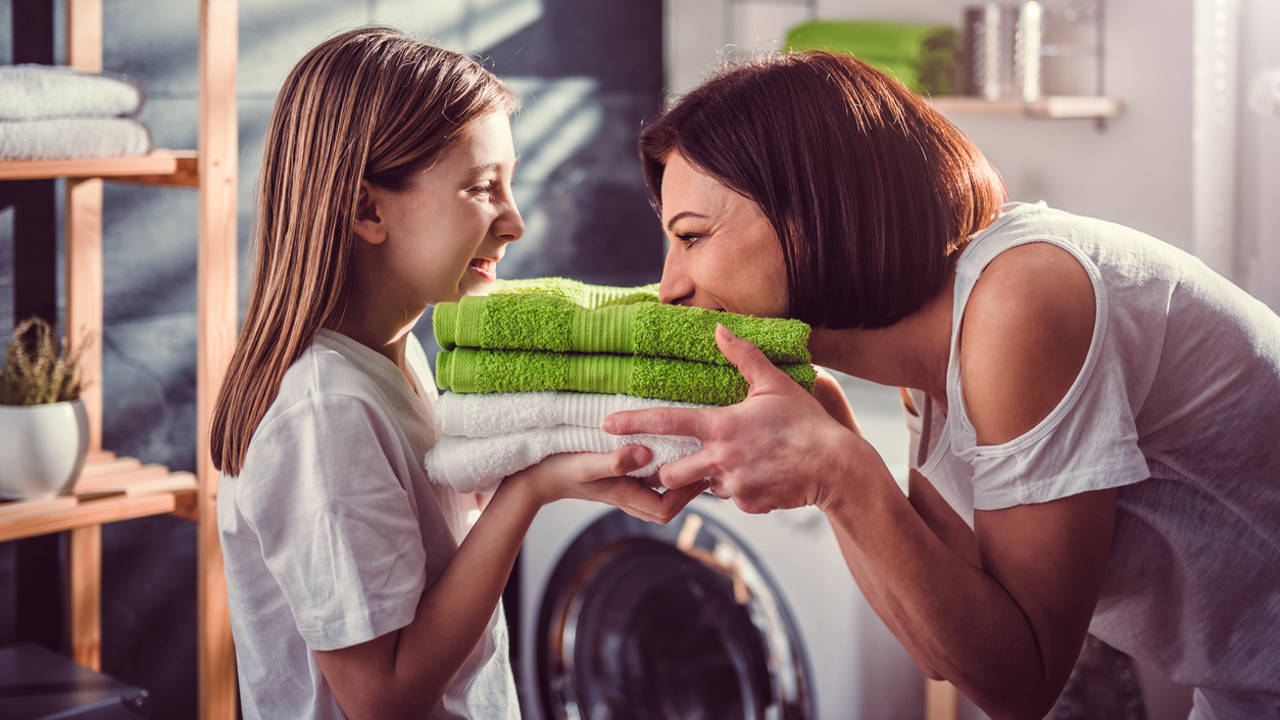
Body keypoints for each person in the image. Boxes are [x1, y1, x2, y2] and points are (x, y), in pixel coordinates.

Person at [604, 51, 1280, 720]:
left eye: (690, 237)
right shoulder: (931, 352)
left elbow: (1021, 688)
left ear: (813, 211)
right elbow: (946, 649)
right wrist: (834, 449)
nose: (669, 290)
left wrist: (844, 475)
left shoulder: (1020, 299)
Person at [209, 27, 701, 720]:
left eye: (510, 183)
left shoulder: (393, 353)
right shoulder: (323, 409)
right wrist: (527, 491)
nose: (515, 222)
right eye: (481, 188)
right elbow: (382, 699)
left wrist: (560, 460)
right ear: (366, 209)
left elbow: (421, 559)